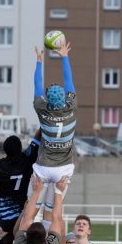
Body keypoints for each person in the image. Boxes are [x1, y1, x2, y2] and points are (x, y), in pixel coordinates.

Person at [31, 41, 77, 228]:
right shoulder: (71, 106)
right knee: (53, 211)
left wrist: (39, 62)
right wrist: (64, 56)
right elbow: (69, 81)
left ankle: (26, 242)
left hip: (43, 168)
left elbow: (37, 84)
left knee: (32, 208)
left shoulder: (42, 109)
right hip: (63, 169)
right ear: (65, 97)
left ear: (48, 99)